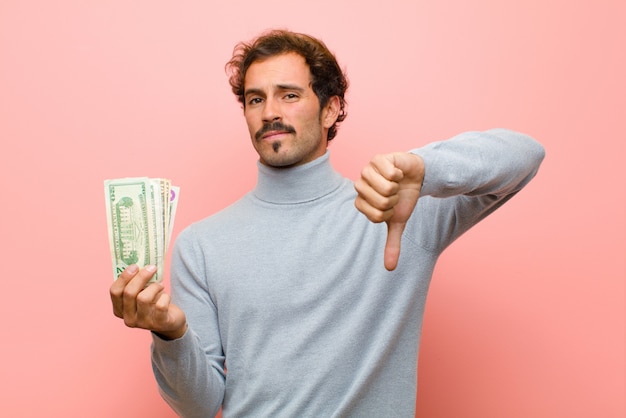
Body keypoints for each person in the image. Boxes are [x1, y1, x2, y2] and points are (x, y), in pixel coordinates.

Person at [110, 29, 545, 417]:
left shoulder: (396, 210)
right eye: (255, 98)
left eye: (290, 95)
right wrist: (171, 336)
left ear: (331, 109)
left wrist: (425, 167)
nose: (269, 112)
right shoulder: (201, 244)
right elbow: (199, 406)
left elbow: (524, 155)